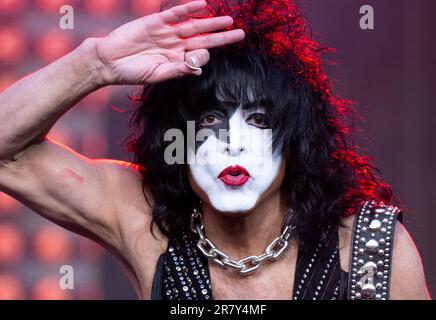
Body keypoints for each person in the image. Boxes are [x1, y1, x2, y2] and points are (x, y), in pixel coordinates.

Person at [0, 0, 429, 300]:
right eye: (209, 120)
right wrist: (95, 64)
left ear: (297, 138)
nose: (232, 141)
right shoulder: (140, 217)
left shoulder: (371, 246)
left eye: (259, 120)